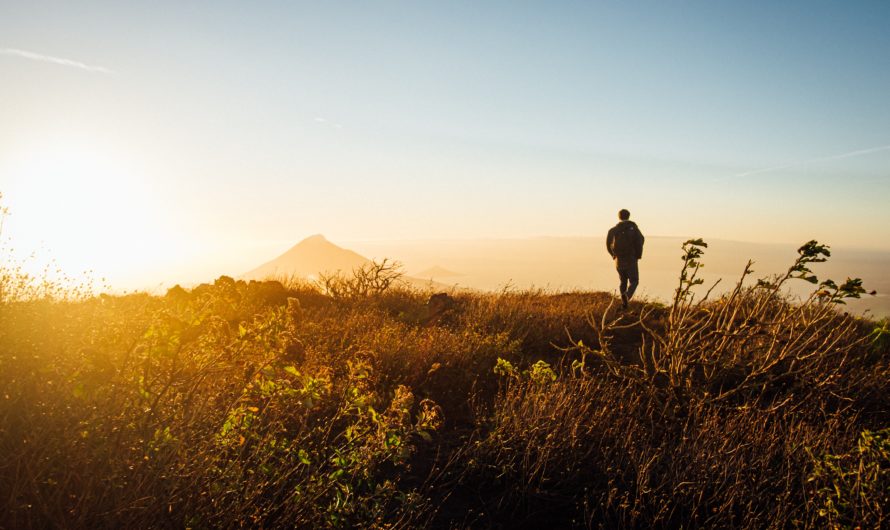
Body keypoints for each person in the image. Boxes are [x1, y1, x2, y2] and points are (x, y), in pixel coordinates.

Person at [606, 209, 644, 309]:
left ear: (619, 217)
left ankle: (624, 304)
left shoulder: (613, 230)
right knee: (634, 281)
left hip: (618, 260)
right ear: (629, 216)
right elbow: (640, 241)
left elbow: (608, 244)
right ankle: (626, 296)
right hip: (631, 259)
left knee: (623, 281)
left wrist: (613, 255)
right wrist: (638, 255)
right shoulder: (634, 229)